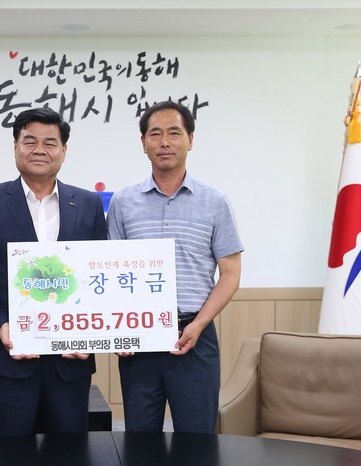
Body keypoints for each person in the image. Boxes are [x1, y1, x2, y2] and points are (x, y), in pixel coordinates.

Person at [0, 107, 107, 438]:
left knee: (69, 453)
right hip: (8, 356)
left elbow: (98, 276)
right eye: (29, 141)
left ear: (64, 150)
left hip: (71, 359)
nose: (39, 149)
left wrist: (89, 334)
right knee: (10, 453)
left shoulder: (88, 204)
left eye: (50, 143)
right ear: (16, 146)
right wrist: (1, 325)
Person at [106, 101, 243, 433]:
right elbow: (110, 273)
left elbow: (230, 273)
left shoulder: (216, 202)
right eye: (155, 134)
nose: (164, 142)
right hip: (139, 341)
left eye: (174, 133)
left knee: (197, 443)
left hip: (194, 336)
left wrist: (199, 324)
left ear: (190, 140)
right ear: (143, 143)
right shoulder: (123, 202)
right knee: (140, 442)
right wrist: (118, 332)